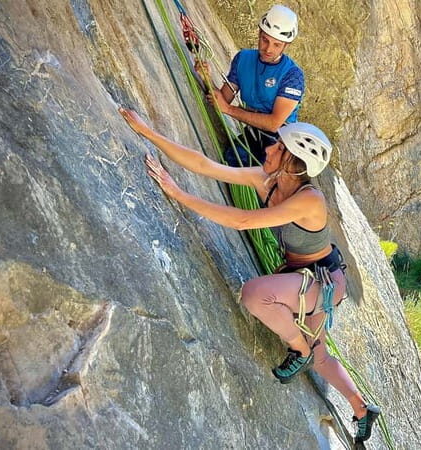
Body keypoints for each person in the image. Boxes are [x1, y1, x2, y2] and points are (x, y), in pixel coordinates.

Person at [118, 107, 380, 443]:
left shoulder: (309, 200)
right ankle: (361, 409)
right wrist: (148, 132)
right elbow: (206, 166)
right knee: (321, 356)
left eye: (278, 148)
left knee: (256, 295)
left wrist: (180, 195)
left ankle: (297, 350)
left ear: (293, 163)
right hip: (305, 277)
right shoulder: (267, 180)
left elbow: (243, 221)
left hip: (322, 282)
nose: (269, 149)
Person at [199, 4, 305, 167]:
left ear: (286, 45)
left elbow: (274, 123)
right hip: (253, 134)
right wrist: (205, 77)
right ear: (259, 33)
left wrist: (229, 110)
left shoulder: (292, 75)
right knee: (230, 162)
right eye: (265, 40)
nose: (268, 49)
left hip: (280, 144)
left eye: (277, 45)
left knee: (262, 180)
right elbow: (223, 98)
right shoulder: (243, 59)